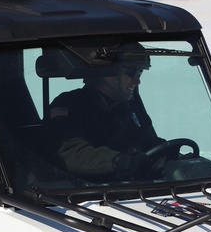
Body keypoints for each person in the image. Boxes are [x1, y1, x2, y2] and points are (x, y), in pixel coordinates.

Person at [45, 44, 165, 181]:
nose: (137, 81)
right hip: (80, 195)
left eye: (140, 73)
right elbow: (72, 153)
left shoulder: (130, 105)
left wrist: (168, 155)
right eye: (131, 73)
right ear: (107, 72)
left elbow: (150, 143)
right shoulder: (68, 104)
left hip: (129, 190)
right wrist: (117, 161)